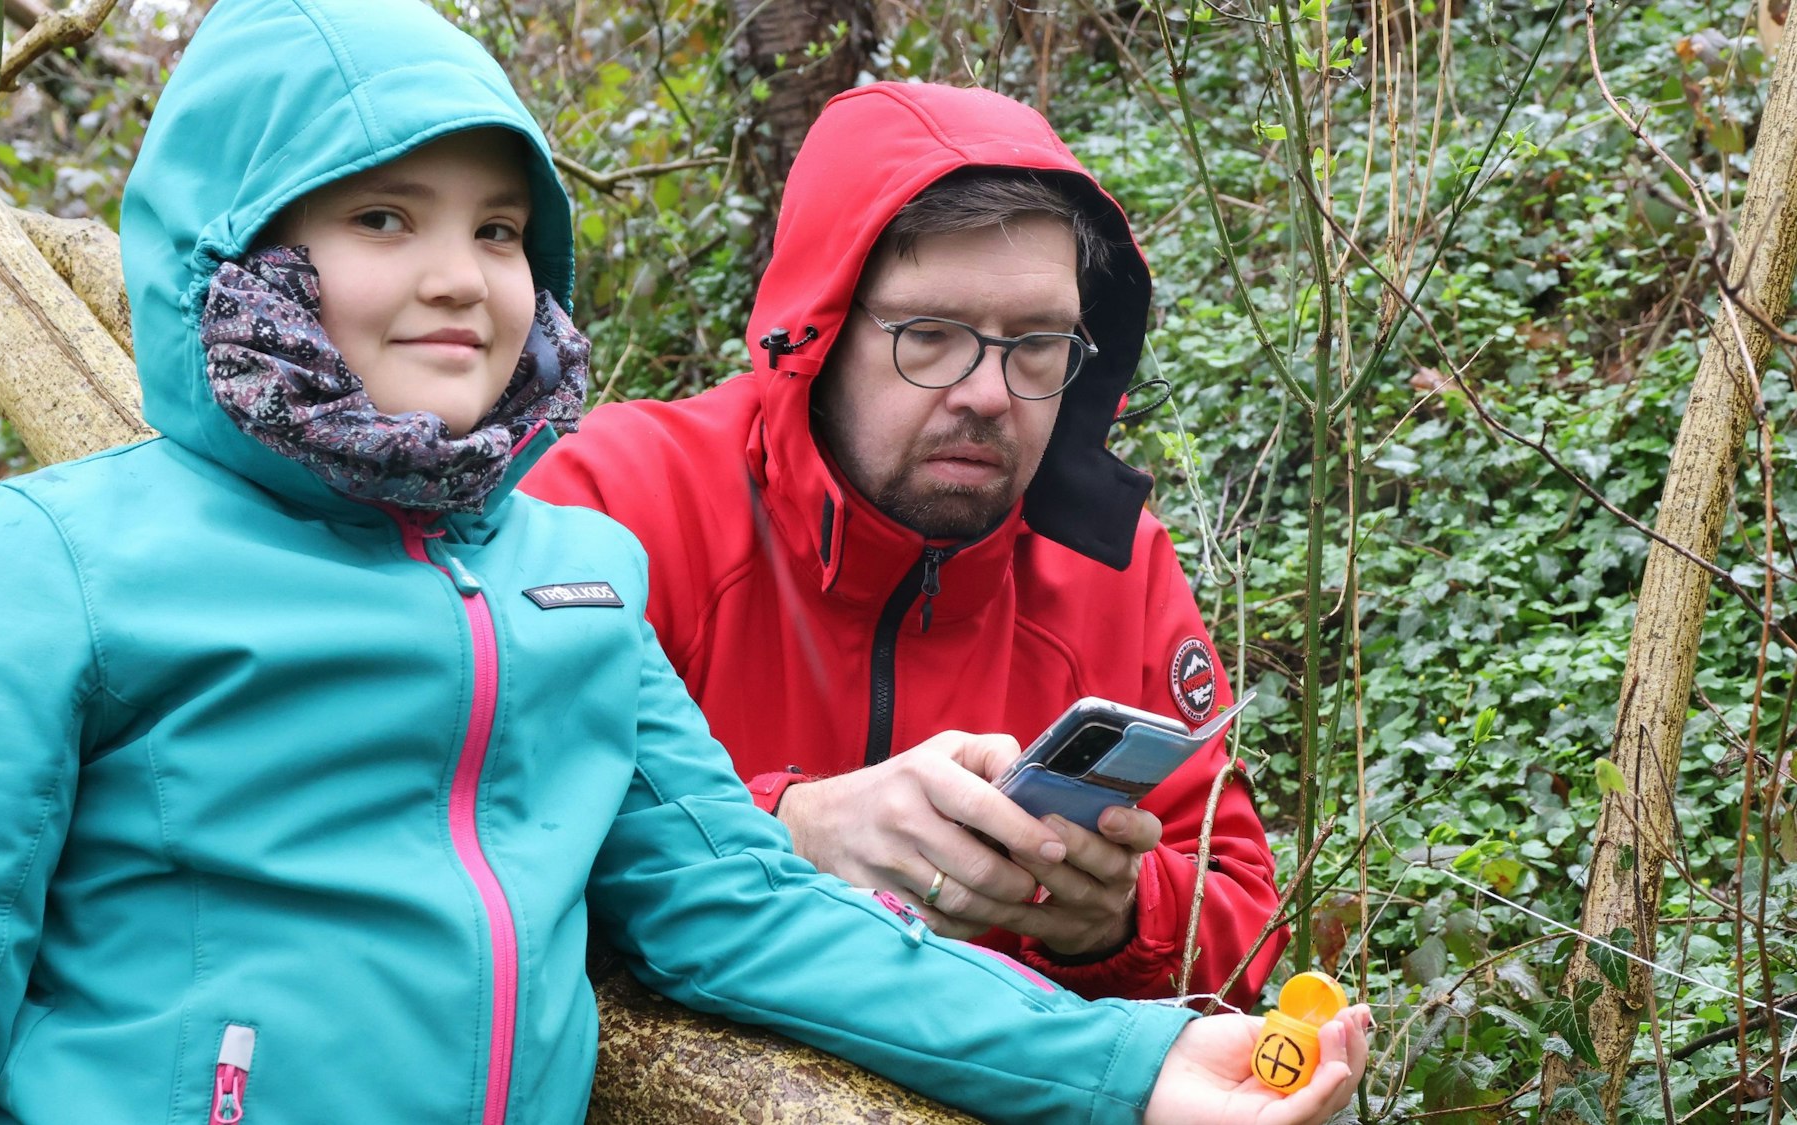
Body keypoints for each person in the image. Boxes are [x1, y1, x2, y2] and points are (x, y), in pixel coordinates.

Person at [0, 0, 1371, 1121]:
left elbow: (747, 914)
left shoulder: (565, 574)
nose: (458, 276)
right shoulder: (37, 567)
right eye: (378, 218)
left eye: (498, 229)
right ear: (233, 255)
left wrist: (1140, 1062)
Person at [523, 82, 1286, 1003]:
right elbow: (479, 824)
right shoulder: (619, 497)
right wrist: (785, 826)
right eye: (930, 336)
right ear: (821, 330)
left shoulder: (1111, 566)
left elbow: (1248, 917)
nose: (990, 394)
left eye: (1037, 343)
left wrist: (1120, 920)